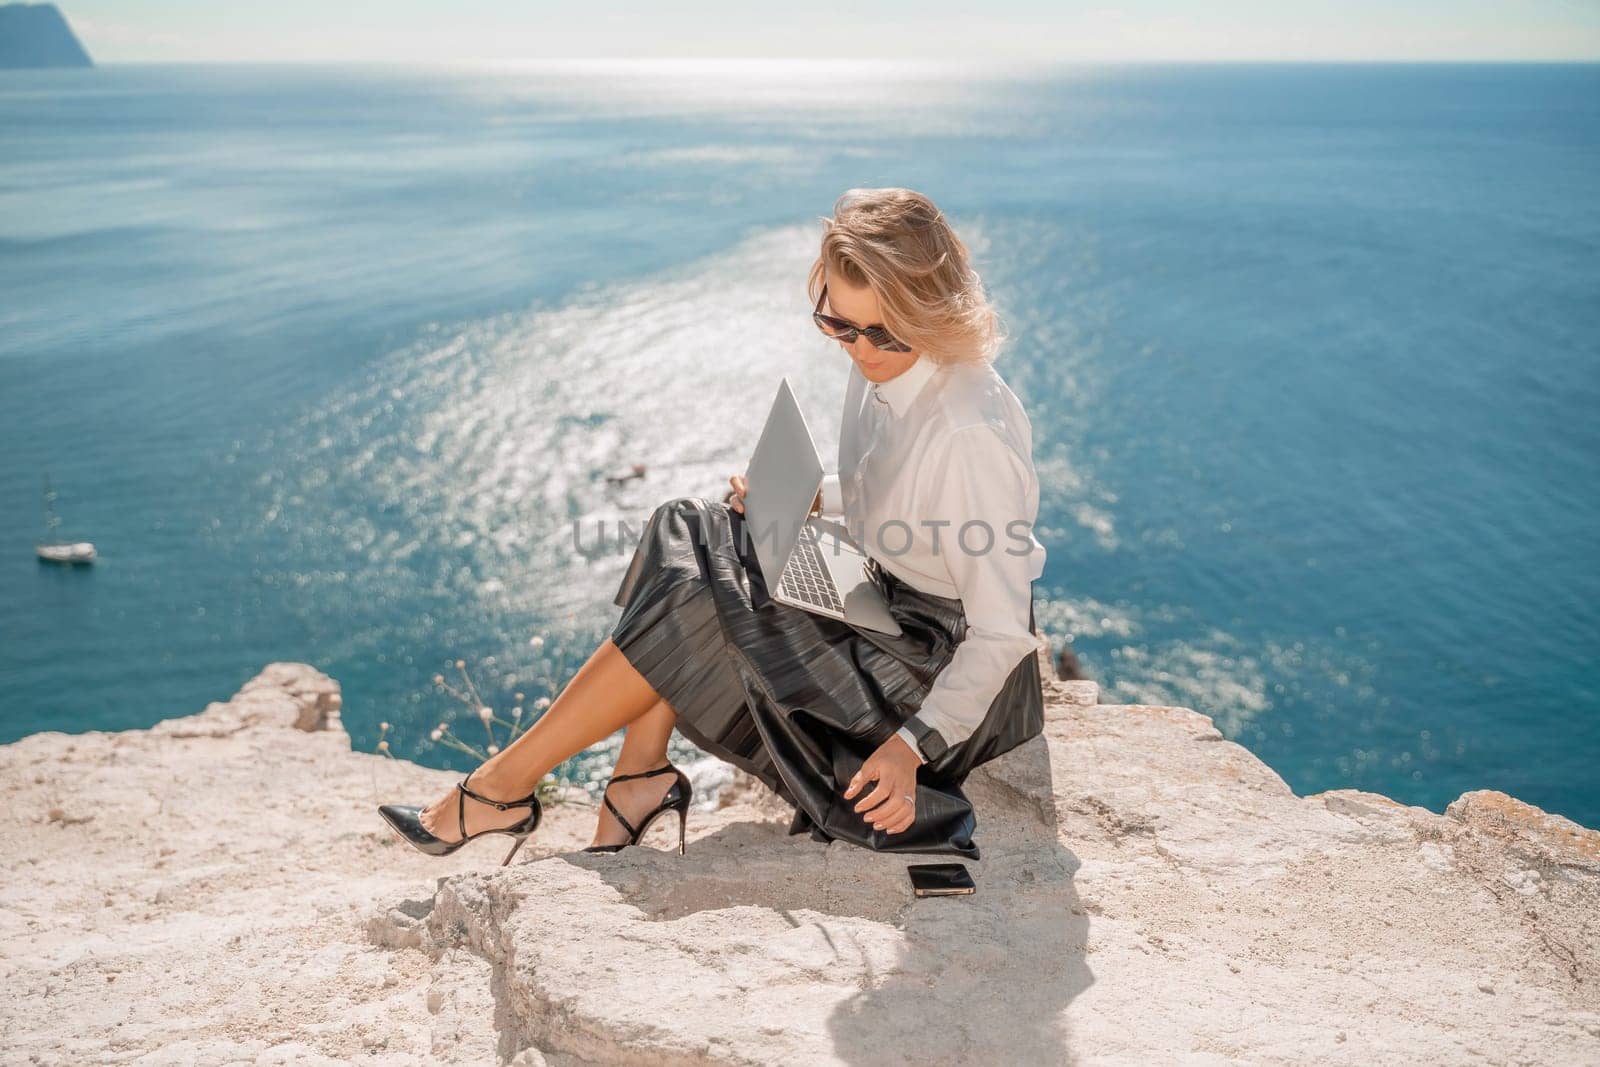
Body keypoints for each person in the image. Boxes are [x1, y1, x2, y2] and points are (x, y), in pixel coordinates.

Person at [378, 187, 1048, 864]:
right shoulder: (885, 364)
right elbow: (907, 496)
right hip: (886, 601)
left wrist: (911, 747)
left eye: (882, 333)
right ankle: (638, 771)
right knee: (687, 527)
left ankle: (504, 789)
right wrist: (812, 499)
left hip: (935, 670)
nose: (860, 350)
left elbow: (1001, 633)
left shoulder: (969, 433)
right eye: (839, 326)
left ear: (930, 312)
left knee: (701, 595)